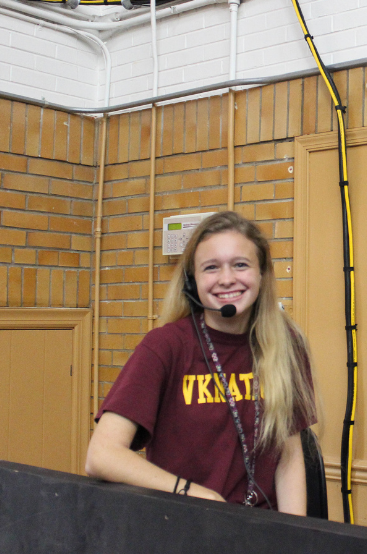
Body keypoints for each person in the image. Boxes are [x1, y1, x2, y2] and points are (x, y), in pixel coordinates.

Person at [85, 211, 317, 514]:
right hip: (182, 524)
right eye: (211, 267)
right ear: (192, 283)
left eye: (240, 265)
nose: (226, 278)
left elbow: (287, 459)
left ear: (262, 274)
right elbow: (101, 455)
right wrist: (192, 493)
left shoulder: (286, 344)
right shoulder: (165, 347)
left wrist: (293, 539)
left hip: (260, 531)